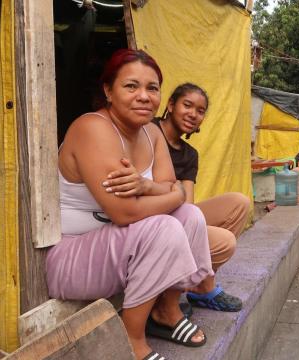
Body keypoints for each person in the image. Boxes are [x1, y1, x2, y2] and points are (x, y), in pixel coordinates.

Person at [47, 49, 213, 360]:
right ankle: (132, 340)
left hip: (119, 248)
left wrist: (153, 188)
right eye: (131, 86)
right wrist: (173, 193)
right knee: (165, 224)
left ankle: (168, 311)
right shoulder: (92, 128)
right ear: (108, 91)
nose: (144, 96)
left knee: (189, 215)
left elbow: (166, 186)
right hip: (73, 257)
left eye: (152, 88)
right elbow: (125, 212)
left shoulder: (151, 132)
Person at [146, 83, 250, 312]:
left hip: (175, 212)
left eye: (200, 111)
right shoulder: (148, 131)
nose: (193, 114)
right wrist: (174, 192)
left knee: (239, 204)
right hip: (150, 218)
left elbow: (187, 203)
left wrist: (177, 194)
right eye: (187, 105)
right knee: (225, 243)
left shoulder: (189, 154)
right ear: (171, 105)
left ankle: (199, 287)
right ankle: (169, 293)